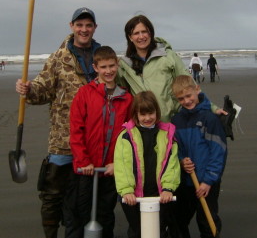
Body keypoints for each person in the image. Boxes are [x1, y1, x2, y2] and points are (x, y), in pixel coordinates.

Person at [15, 7, 100, 238]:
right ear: (71, 26)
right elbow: (42, 90)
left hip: (95, 140)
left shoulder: (102, 57)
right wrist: (29, 90)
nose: (84, 29)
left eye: (88, 25)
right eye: (79, 25)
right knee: (52, 193)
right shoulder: (58, 58)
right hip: (63, 139)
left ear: (94, 28)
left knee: (87, 196)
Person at [65, 46, 133, 238]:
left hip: (110, 169)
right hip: (86, 168)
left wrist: (117, 163)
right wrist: (83, 160)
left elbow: (128, 136)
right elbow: (76, 130)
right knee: (80, 212)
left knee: (105, 214)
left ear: (117, 65)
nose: (108, 71)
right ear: (95, 67)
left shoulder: (126, 98)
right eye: (103, 67)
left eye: (112, 66)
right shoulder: (85, 93)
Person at [114, 91, 180, 238]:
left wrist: (168, 188)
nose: (148, 118)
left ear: (157, 111)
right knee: (137, 230)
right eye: (143, 115)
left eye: (151, 113)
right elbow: (122, 166)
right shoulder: (126, 136)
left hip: (160, 194)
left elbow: (172, 162)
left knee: (159, 229)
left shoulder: (167, 135)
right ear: (136, 114)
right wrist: (126, 190)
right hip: (133, 196)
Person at [171, 75, 227, 238]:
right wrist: (181, 160)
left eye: (189, 96)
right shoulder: (176, 120)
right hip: (186, 182)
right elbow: (176, 148)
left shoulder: (210, 119)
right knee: (178, 220)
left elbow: (219, 152)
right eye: (181, 98)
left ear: (197, 90)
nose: (187, 101)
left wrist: (208, 181)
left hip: (206, 182)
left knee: (207, 222)